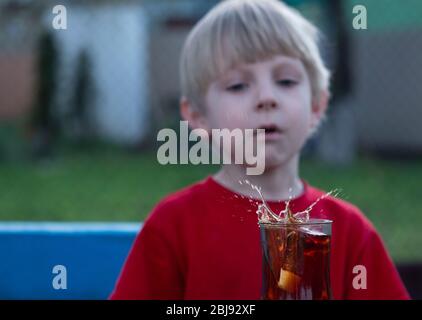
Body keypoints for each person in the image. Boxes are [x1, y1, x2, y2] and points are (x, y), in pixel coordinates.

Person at [110, 0, 409, 300]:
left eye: (286, 81)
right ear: (199, 117)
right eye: (238, 86)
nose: (267, 97)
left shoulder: (350, 232)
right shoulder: (174, 227)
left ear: (316, 106)